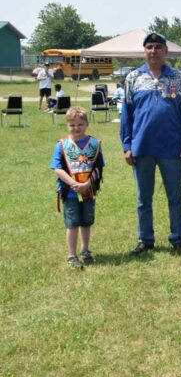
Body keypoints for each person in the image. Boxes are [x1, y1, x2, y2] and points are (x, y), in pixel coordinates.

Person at [120, 32, 181, 255]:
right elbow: (127, 115)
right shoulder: (133, 78)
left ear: (166, 52)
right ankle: (145, 239)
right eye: (149, 47)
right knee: (143, 198)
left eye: (158, 47)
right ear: (144, 51)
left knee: (174, 196)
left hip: (171, 148)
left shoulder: (177, 78)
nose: (153, 51)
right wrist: (127, 146)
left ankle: (177, 238)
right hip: (142, 147)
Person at [50, 107, 105, 268]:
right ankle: (72, 255)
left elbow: (99, 168)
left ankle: (85, 251)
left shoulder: (94, 144)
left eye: (80, 124)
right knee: (72, 223)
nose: (76, 128)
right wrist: (73, 183)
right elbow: (56, 168)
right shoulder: (61, 145)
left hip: (88, 191)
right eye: (72, 125)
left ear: (87, 124)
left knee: (86, 222)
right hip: (70, 192)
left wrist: (87, 184)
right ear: (67, 125)